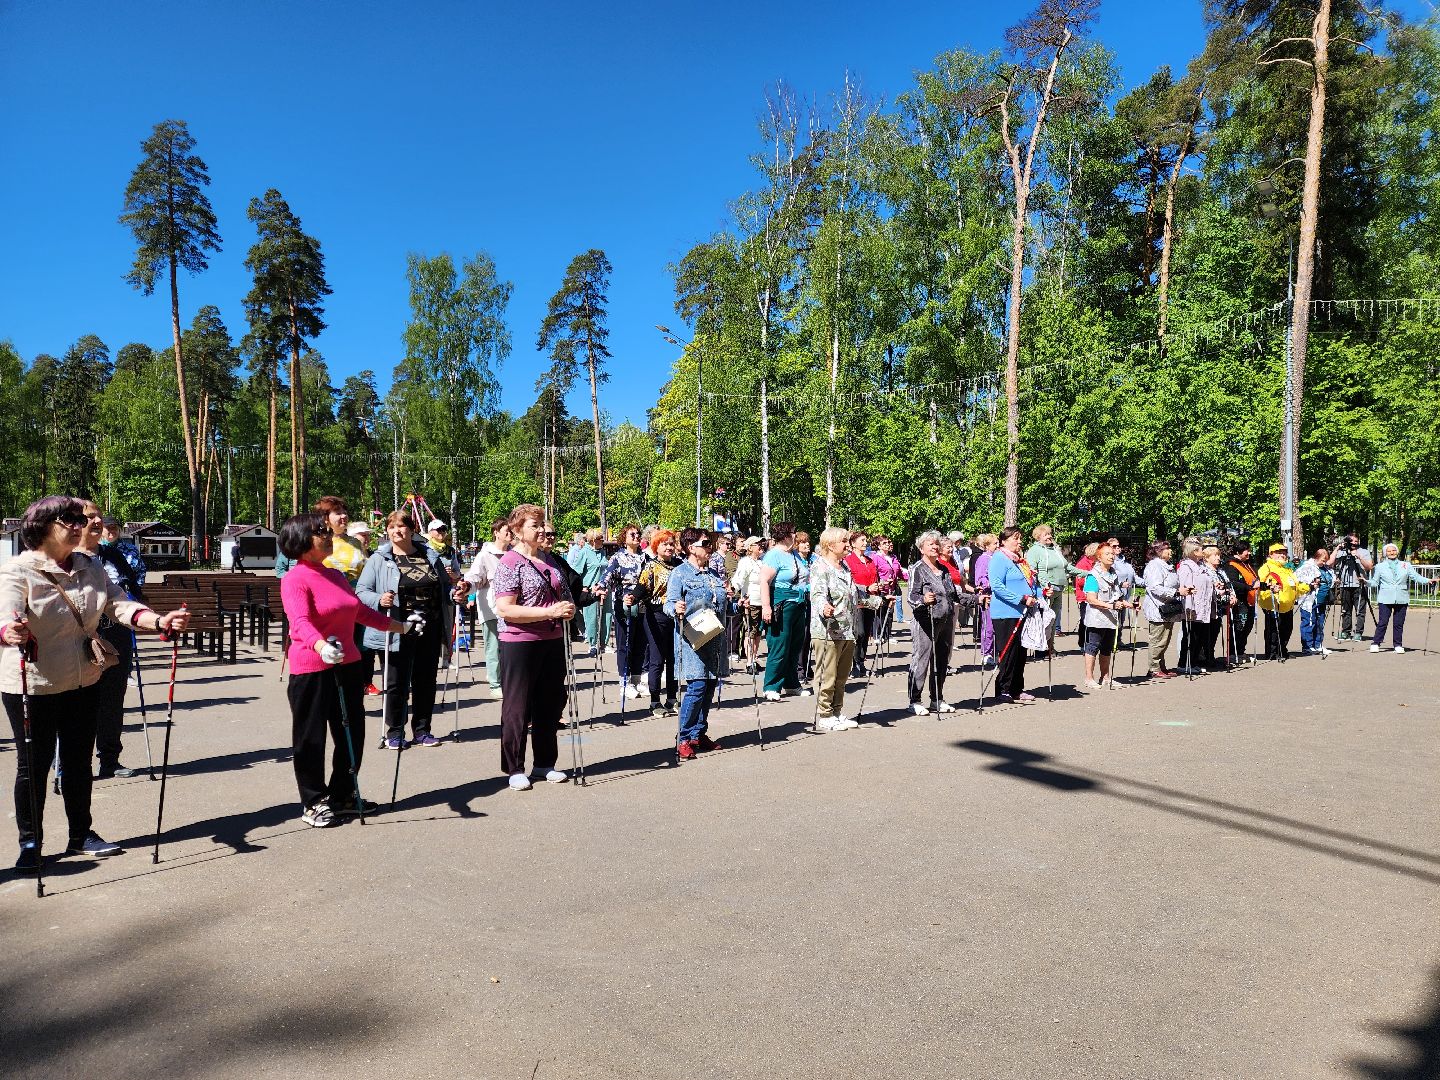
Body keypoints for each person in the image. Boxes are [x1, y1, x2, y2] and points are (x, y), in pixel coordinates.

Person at [1, 496, 190, 871]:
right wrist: (11, 631)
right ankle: (31, 843)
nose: (80, 525)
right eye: (69, 519)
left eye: (80, 519)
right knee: (33, 766)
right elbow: (6, 616)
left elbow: (119, 604)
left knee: (77, 761)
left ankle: (80, 835)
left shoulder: (90, 566)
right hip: (33, 683)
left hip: (83, 678)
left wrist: (158, 621)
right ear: (43, 526)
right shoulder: (17, 570)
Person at [279, 512, 414, 827]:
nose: (328, 536)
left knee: (351, 733)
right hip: (312, 668)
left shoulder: (335, 575)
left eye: (327, 531)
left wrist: (401, 627)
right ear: (301, 541)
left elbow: (360, 612)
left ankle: (343, 795)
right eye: (320, 532)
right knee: (311, 738)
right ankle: (314, 801)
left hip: (348, 664)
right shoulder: (295, 579)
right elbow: (300, 622)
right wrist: (320, 646)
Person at [356, 511, 464, 750]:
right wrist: (379, 599)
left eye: (401, 526)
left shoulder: (430, 556)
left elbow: (444, 588)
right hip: (397, 628)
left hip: (430, 627)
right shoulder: (379, 559)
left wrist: (454, 594)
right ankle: (395, 732)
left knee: (426, 680)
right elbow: (362, 591)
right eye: (392, 527)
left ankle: (422, 730)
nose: (397, 531)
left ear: (412, 530)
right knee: (396, 681)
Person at [491, 505, 575, 790]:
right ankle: (514, 767)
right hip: (520, 641)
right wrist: (549, 612)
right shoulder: (510, 563)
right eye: (534, 526)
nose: (541, 530)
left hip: (552, 639)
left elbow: (564, 595)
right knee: (518, 706)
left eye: (542, 525)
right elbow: (505, 609)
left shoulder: (550, 559)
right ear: (517, 531)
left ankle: (544, 763)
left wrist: (568, 609)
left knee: (550, 703)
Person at [77, 502, 144, 779]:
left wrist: (143, 613)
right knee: (77, 701)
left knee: (113, 699)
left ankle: (110, 759)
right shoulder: (65, 558)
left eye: (100, 518)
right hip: (81, 636)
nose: (98, 523)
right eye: (90, 518)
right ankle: (70, 766)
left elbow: (134, 587)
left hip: (116, 632)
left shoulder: (115, 556)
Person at [665, 528, 732, 757]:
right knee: (697, 688)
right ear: (690, 547)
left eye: (710, 543)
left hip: (715, 638)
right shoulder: (680, 573)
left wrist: (736, 604)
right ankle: (683, 737)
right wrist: (675, 608)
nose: (710, 547)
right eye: (705, 543)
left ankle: (698, 733)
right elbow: (668, 604)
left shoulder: (713, 574)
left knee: (710, 686)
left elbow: (722, 606)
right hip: (692, 638)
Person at [810, 527, 884, 729]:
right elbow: (817, 595)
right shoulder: (820, 567)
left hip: (847, 629)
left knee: (841, 676)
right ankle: (825, 715)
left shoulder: (844, 567)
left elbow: (854, 597)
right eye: (843, 541)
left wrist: (878, 601)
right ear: (830, 545)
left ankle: (837, 712)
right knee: (827, 675)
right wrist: (823, 607)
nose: (847, 544)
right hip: (827, 630)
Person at [988, 526, 1045, 704]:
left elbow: (1030, 583)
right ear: (1004, 541)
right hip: (1005, 612)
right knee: (1008, 652)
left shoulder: (1019, 560)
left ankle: (1016, 689)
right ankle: (1003, 689)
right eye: (1015, 538)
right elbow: (997, 586)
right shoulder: (999, 558)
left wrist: (1041, 593)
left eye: (1020, 538)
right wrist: (1020, 599)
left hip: (1023, 611)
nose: (1019, 542)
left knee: (1021, 652)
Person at [906, 530, 959, 714]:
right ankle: (914, 701)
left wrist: (977, 599)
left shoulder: (944, 569)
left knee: (941, 661)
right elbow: (911, 597)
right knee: (921, 660)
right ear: (922, 548)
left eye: (937, 544)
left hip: (945, 620)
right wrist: (923, 599)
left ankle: (937, 699)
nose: (935, 547)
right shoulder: (918, 568)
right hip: (925, 621)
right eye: (931, 544)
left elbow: (953, 595)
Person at [758, 522, 811, 701]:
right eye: (794, 533)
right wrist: (766, 607)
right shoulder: (774, 555)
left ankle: (791, 683)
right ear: (786, 535)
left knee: (795, 646)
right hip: (781, 604)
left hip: (799, 603)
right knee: (779, 644)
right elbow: (764, 581)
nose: (796, 536)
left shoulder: (794, 554)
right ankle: (771, 686)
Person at [464, 517, 512, 699]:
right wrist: (466, 586)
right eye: (506, 530)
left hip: (512, 609)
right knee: (493, 647)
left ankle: (507, 680)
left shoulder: (515, 553)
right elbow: (474, 577)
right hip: (491, 608)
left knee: (509, 647)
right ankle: (495, 683)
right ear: (496, 533)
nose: (510, 534)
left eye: (511, 531)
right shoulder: (485, 555)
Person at [636, 529, 681, 717]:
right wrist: (632, 597)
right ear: (656, 546)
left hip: (675, 617)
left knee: (674, 659)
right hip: (656, 616)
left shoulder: (679, 565)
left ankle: (672, 698)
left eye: (671, 543)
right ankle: (655, 701)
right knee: (657, 659)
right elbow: (641, 588)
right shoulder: (651, 566)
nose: (669, 547)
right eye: (665, 544)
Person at [1079, 539, 1134, 689]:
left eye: (1112, 553)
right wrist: (1111, 605)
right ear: (1099, 557)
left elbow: (1117, 596)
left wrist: (1129, 604)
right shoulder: (1093, 576)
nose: (1111, 556)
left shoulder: (1113, 573)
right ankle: (1089, 678)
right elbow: (1091, 599)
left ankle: (1105, 677)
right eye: (1107, 554)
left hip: (1111, 618)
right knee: (1092, 647)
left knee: (1107, 648)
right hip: (1096, 618)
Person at [603, 524, 648, 700]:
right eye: (632, 534)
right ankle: (624, 682)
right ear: (624, 538)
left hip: (642, 605)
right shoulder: (618, 557)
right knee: (625, 644)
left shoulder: (645, 557)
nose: (636, 536)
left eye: (638, 534)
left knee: (640, 644)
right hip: (624, 605)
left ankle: (636, 680)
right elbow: (607, 576)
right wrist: (601, 588)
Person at [1368, 543, 1433, 652]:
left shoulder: (1406, 565)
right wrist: (1365, 582)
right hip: (1385, 598)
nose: (1392, 552)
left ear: (1397, 552)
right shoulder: (1380, 566)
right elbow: (1374, 582)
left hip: (1401, 597)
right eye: (1389, 551)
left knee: (1399, 623)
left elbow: (1416, 577)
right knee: (1383, 622)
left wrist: (1428, 580)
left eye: (1394, 550)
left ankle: (1398, 645)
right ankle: (1376, 643)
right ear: (1385, 553)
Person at [1026, 525, 1081, 647]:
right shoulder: (1034, 550)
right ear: (1038, 537)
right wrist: (1044, 585)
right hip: (1046, 591)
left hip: (1059, 589)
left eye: (1050, 534)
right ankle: (1041, 648)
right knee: (1044, 620)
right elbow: (1031, 571)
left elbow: (1067, 567)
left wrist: (1086, 573)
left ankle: (1050, 647)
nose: (1049, 536)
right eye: (1046, 534)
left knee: (1053, 620)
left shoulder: (1055, 550)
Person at [1141, 539, 1185, 681]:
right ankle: (1154, 669)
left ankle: (1161, 667)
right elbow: (1155, 587)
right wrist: (1176, 592)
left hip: (1167, 608)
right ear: (1158, 551)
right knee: (1158, 640)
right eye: (1167, 548)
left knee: (1164, 640)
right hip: (1158, 608)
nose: (1170, 551)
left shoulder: (1165, 565)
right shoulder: (1154, 566)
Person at [1256, 542, 1308, 661]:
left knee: (1287, 630)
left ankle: (1282, 651)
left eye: (1284, 552)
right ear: (1271, 554)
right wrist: (1269, 590)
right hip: (1273, 605)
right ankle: (1272, 653)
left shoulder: (1287, 569)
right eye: (1279, 552)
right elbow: (1260, 585)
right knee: (1273, 630)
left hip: (1288, 605)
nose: (1282, 555)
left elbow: (1295, 585)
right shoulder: (1266, 567)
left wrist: (1308, 587)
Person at [842, 531, 880, 677]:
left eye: (866, 540)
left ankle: (861, 663)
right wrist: (866, 588)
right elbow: (848, 582)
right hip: (856, 602)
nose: (865, 543)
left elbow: (874, 578)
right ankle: (854, 663)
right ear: (853, 543)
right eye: (862, 540)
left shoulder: (869, 561)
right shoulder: (848, 561)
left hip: (870, 601)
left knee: (866, 635)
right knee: (859, 633)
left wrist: (879, 585)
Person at [567, 528, 609, 657]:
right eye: (600, 539)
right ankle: (592, 644)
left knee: (606, 616)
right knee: (591, 618)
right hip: (591, 589)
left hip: (604, 589)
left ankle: (603, 643)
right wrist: (582, 587)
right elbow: (575, 572)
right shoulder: (584, 552)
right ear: (592, 541)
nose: (602, 541)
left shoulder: (603, 552)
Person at [1175, 539, 1213, 677]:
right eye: (1201, 549)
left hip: (1203, 605)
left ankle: (1194, 662)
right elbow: (1184, 586)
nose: (1203, 551)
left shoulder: (1201, 565)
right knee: (1190, 636)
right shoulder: (1186, 566)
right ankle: (1184, 664)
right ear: (1194, 551)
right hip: (1192, 606)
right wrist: (1189, 591)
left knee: (1199, 636)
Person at [730, 536, 766, 673]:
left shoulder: (762, 562)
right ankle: (749, 662)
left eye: (762, 544)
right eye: (758, 544)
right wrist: (733, 590)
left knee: (758, 633)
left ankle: (754, 658)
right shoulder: (745, 562)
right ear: (750, 547)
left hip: (763, 602)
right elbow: (738, 579)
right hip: (751, 601)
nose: (761, 546)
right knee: (750, 632)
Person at [1331, 533, 1374, 641]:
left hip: (1359, 584)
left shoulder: (1363, 551)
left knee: (1360, 611)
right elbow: (1330, 563)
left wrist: (1358, 556)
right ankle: (1345, 631)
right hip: (1344, 584)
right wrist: (1337, 549)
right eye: (1351, 541)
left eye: (1356, 541)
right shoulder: (1342, 552)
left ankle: (1358, 632)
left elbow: (1369, 567)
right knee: (1345, 610)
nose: (1354, 543)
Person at [1222, 543, 1260, 663]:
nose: (1249, 553)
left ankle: (1240, 652)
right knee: (1239, 628)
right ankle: (1233, 654)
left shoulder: (1246, 564)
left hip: (1250, 600)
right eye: (1246, 550)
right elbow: (1233, 583)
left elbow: (1255, 581)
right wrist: (1249, 587)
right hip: (1239, 601)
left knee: (1247, 627)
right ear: (1238, 552)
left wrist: (1265, 586)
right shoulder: (1231, 565)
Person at [1295, 547, 1334, 657]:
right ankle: (1307, 646)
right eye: (1322, 560)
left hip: (1321, 600)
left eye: (1325, 560)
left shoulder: (1324, 568)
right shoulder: (1307, 566)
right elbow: (1297, 578)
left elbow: (1329, 578)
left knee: (1319, 622)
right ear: (1316, 557)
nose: (1324, 562)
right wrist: (1311, 583)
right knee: (1309, 622)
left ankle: (1318, 644)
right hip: (1309, 600)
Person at [872, 535, 907, 638]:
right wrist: (881, 582)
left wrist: (911, 578)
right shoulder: (875, 558)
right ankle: (878, 635)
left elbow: (900, 572)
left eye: (888, 542)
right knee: (880, 613)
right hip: (881, 590)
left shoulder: (893, 557)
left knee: (890, 612)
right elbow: (873, 574)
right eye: (884, 543)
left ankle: (887, 635)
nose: (887, 544)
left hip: (892, 590)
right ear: (879, 546)